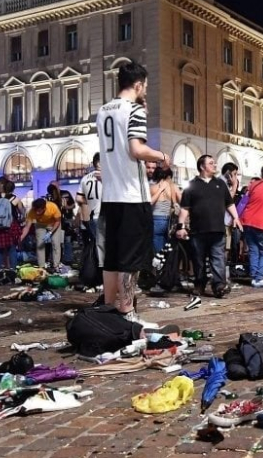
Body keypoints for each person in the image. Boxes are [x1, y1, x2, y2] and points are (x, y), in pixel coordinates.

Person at [95, 61, 171, 322]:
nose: (146, 91)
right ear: (138, 85)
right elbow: (136, 149)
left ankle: (108, 306)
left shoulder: (103, 110)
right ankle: (127, 309)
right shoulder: (134, 110)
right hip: (131, 194)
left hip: (111, 196)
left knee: (113, 256)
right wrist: (161, 156)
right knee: (131, 257)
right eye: (145, 87)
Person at [176, 154, 243, 298]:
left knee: (218, 258)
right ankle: (199, 284)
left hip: (217, 229)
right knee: (198, 260)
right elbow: (184, 208)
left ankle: (219, 286)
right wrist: (180, 226)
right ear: (202, 166)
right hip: (198, 231)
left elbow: (229, 203)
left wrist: (236, 217)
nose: (215, 165)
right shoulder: (192, 185)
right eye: (211, 163)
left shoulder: (220, 184)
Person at [19, 198, 62, 269]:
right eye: (35, 210)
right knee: (40, 244)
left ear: (44, 208)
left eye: (39, 211)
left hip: (53, 223)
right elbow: (27, 227)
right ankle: (41, 266)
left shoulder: (52, 207)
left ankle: (56, 265)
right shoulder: (32, 211)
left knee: (56, 244)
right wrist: (20, 238)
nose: (37, 213)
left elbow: (58, 221)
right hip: (40, 224)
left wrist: (50, 232)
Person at [149, 166, 181, 253]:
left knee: (157, 241)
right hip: (169, 219)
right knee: (167, 242)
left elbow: (150, 203)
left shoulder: (153, 187)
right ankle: (167, 263)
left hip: (156, 218)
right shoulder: (173, 187)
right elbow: (179, 201)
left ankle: (159, 262)